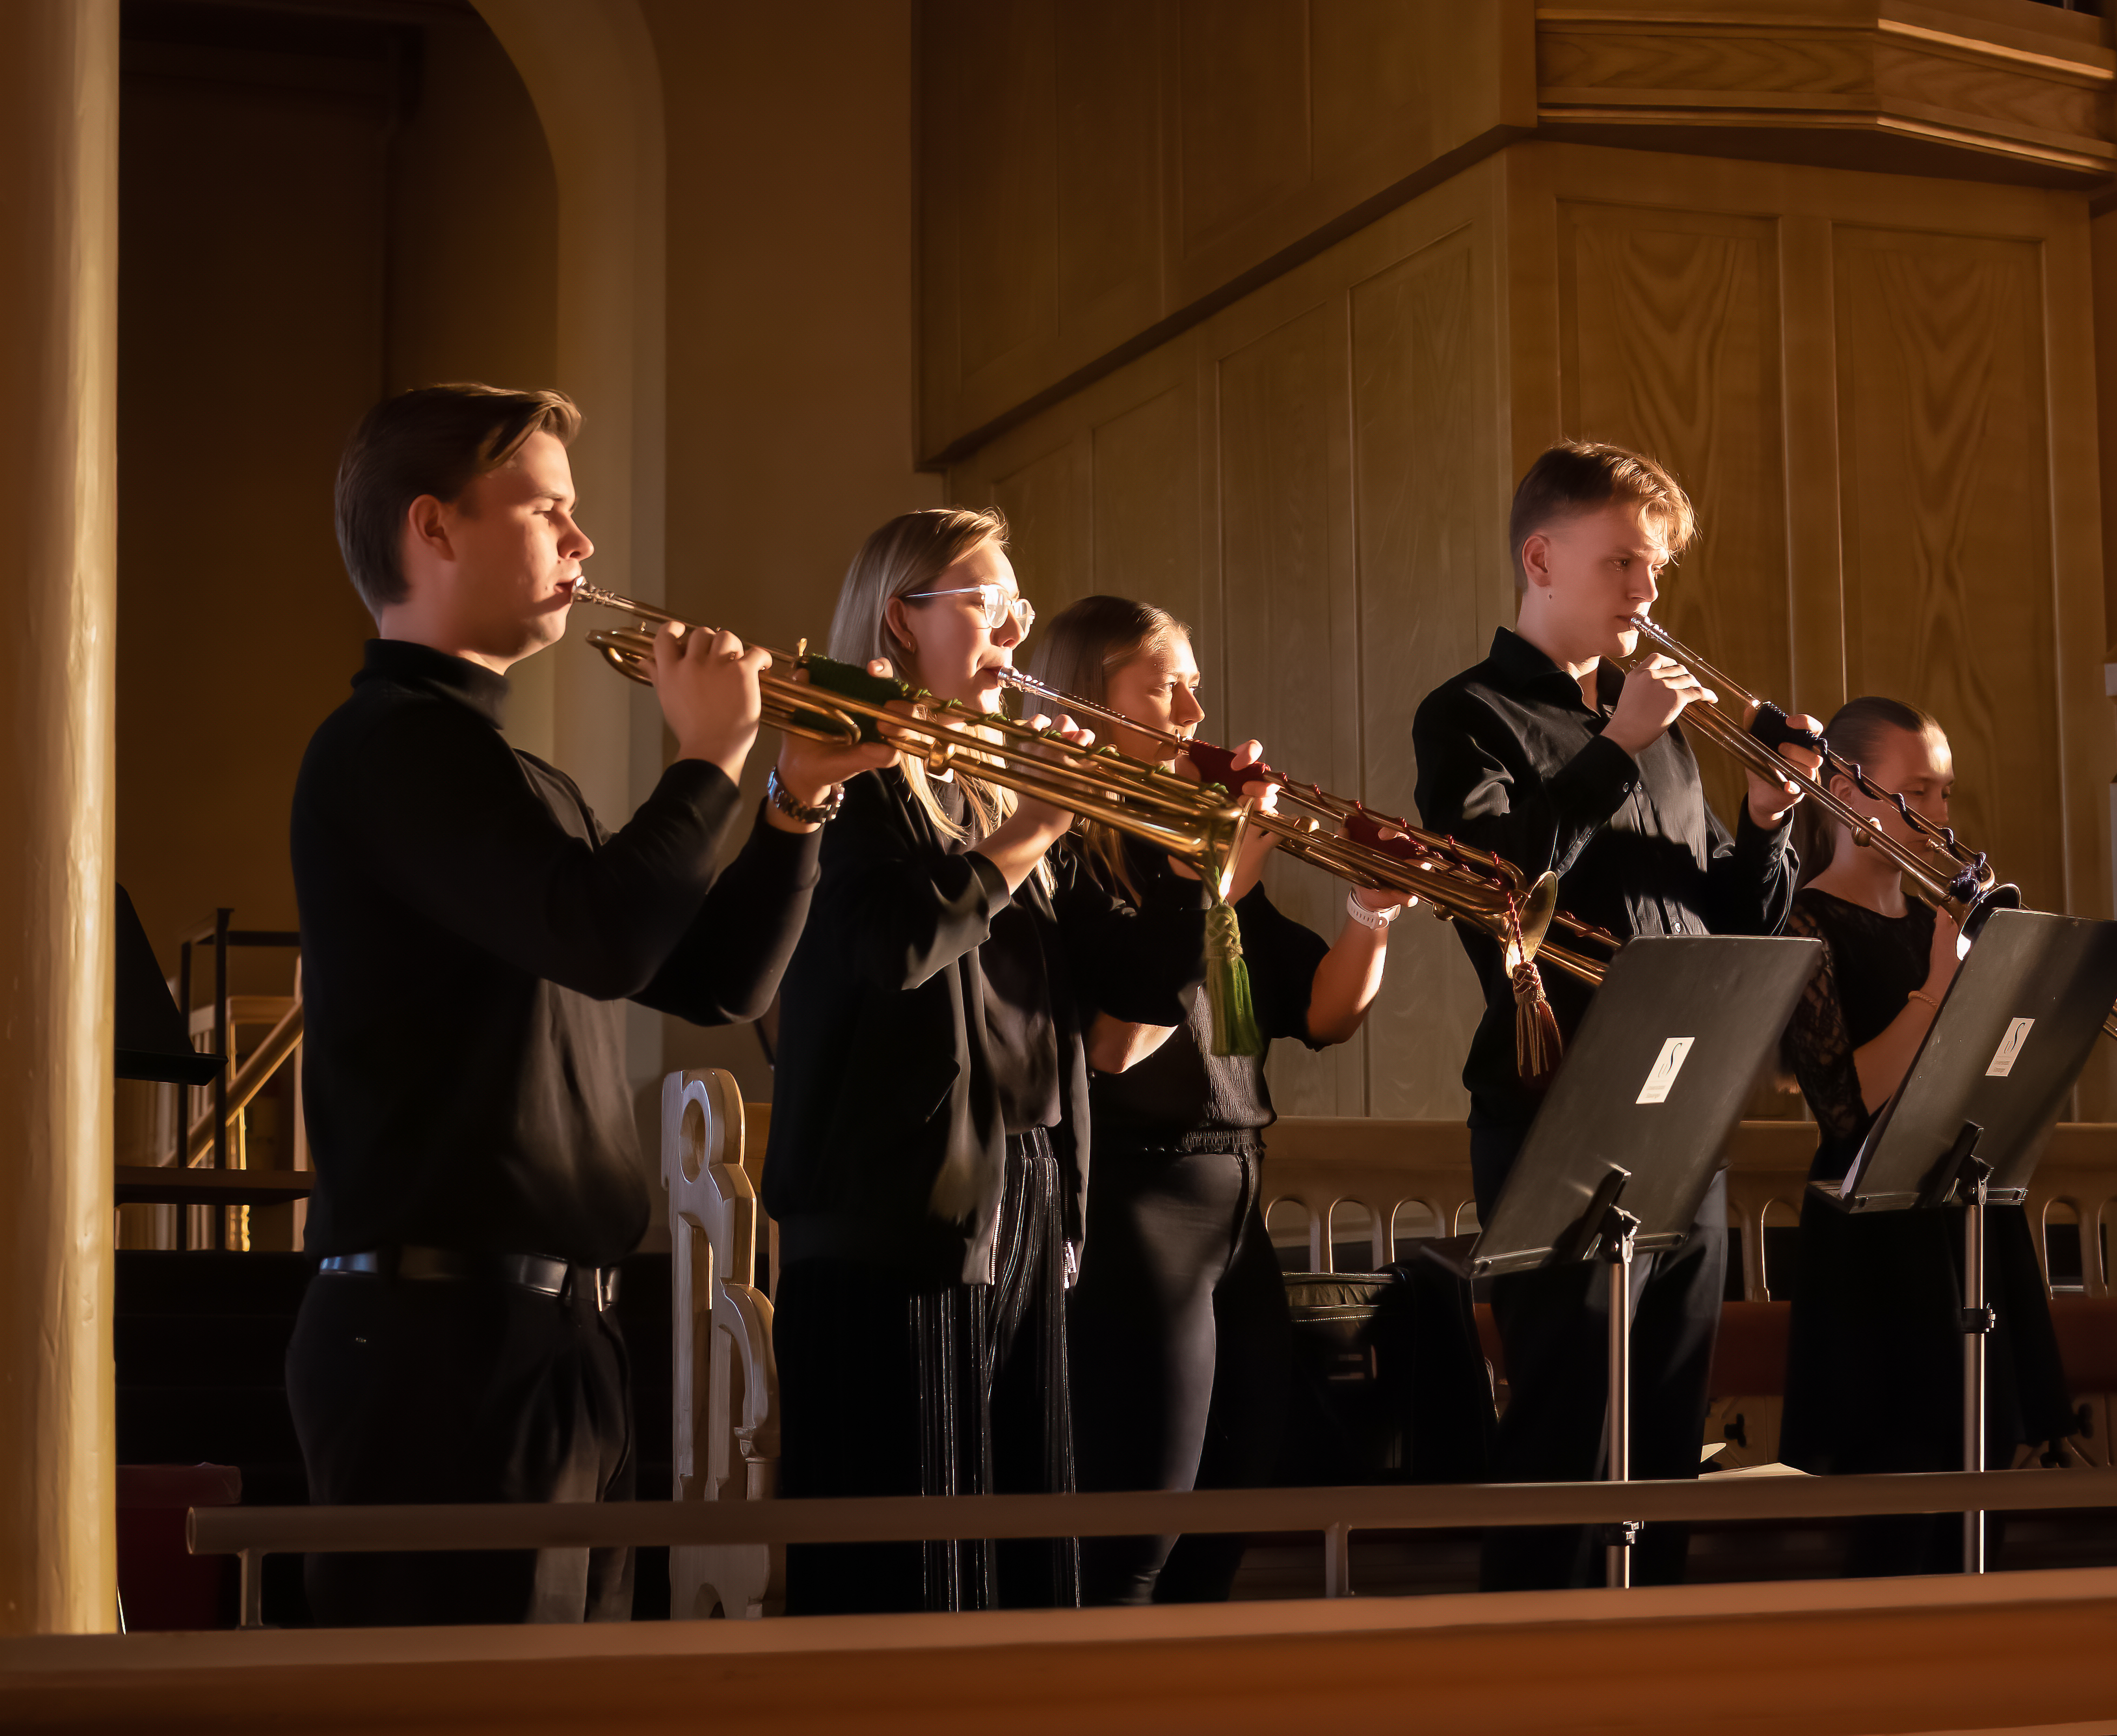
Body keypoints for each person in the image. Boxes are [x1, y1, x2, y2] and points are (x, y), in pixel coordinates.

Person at [288, 383, 887, 1626]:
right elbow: (607, 934)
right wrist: (706, 756)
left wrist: (790, 805)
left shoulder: (510, 774)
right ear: (434, 529)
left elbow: (712, 980)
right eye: (549, 510)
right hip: (438, 1346)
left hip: (555, 1338)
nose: (584, 543)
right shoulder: (386, 747)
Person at [1411, 439, 1819, 1590]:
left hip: (1683, 1107)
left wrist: (1773, 820)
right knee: (1566, 1427)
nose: (1649, 595)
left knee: (1666, 1435)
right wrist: (1617, 746)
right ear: (1542, 558)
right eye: (1624, 564)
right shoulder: (1470, 716)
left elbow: (1726, 913)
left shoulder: (1664, 735)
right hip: (1558, 1105)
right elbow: (1493, 883)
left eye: (1656, 570)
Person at [1037, 596, 1419, 1606]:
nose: (1195, 709)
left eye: (1194, 682)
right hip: (1136, 1208)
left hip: (1239, 1208)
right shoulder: (1068, 854)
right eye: (1165, 686)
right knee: (1135, 1537)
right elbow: (1113, 1049)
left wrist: (1371, 913)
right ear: (1092, 699)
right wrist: (1202, 885)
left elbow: (1322, 1013)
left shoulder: (1195, 845)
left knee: (1225, 1527)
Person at [764, 506, 1094, 1614]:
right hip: (900, 1209)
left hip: (1018, 1183)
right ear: (902, 621)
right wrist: (1037, 830)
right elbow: (894, 948)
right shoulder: (845, 774)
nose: (1017, 628)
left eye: (1022, 606)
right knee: (910, 1557)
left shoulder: (986, 788)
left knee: (1009, 1539)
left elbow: (1053, 1012)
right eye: (989, 604)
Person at [1773, 697, 2068, 1575]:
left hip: (1962, 1208)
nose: (1939, 816)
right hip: (1874, 1229)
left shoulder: (1944, 920)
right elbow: (1846, 1103)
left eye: (1944, 793)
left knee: (1984, 1479)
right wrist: (1944, 984)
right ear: (1841, 790)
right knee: (1899, 1496)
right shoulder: (1804, 922)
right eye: (1916, 793)